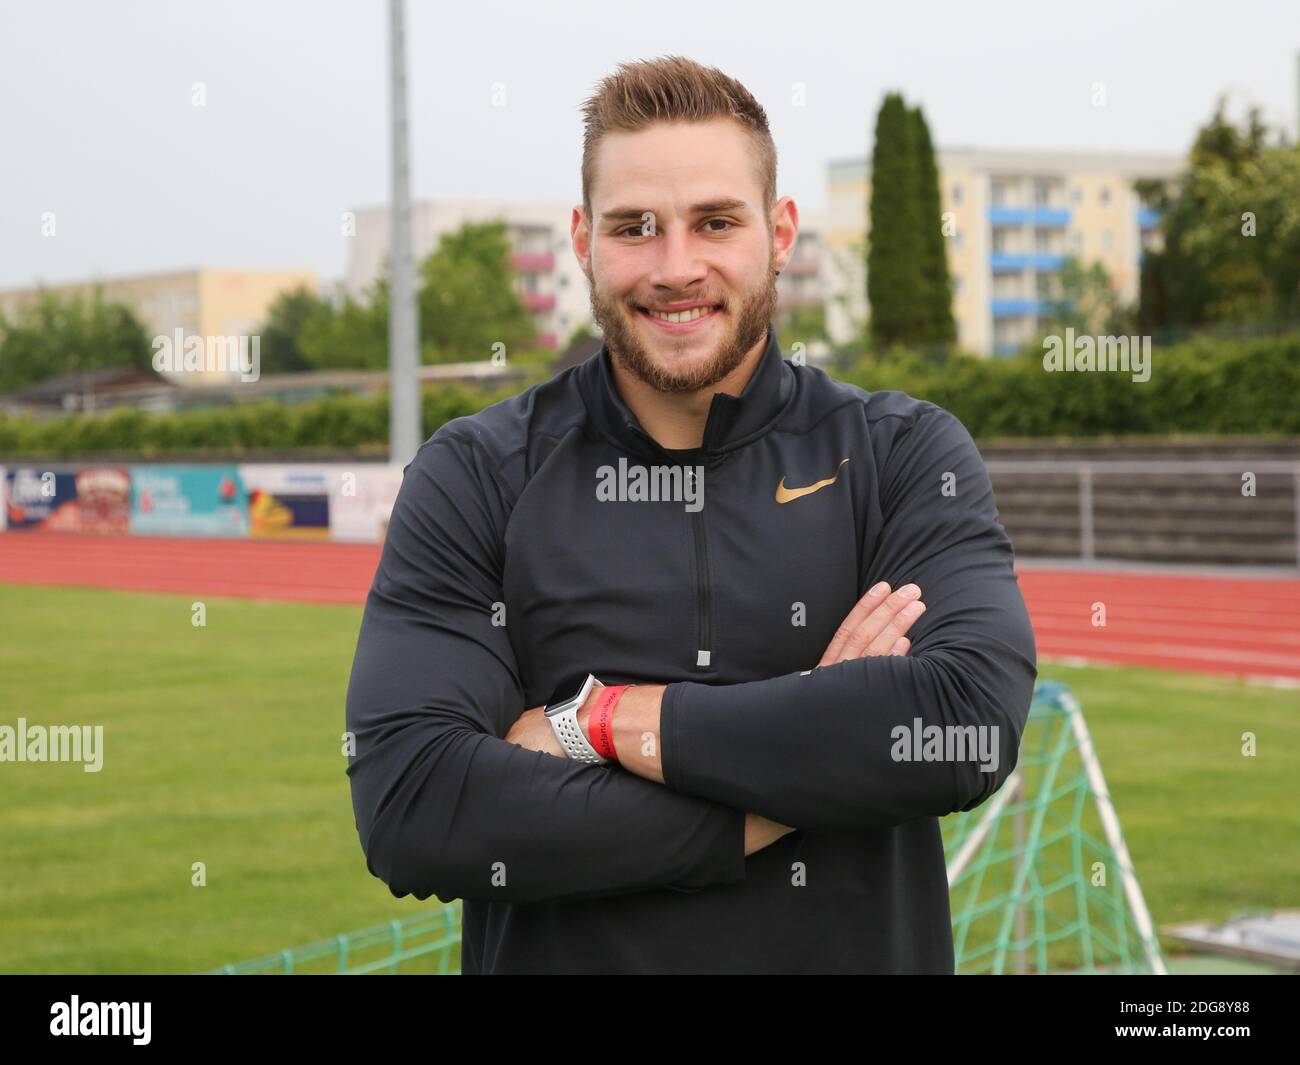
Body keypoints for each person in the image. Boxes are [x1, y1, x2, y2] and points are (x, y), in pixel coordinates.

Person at [345, 54, 1037, 974]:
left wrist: (599, 722)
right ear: (584, 239)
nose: (678, 268)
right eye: (637, 227)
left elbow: (962, 722)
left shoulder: (900, 454)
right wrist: (801, 775)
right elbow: (416, 805)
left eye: (716, 222)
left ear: (780, 233)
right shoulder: (477, 476)